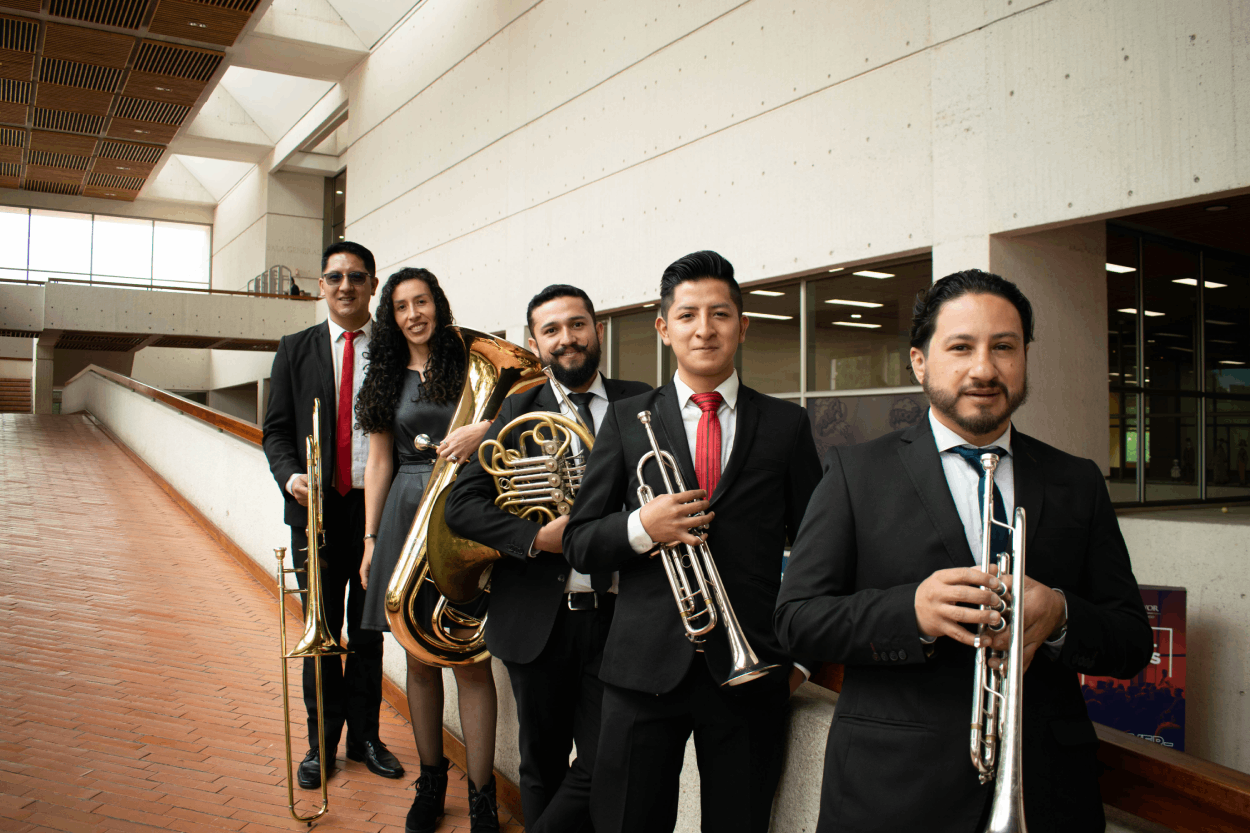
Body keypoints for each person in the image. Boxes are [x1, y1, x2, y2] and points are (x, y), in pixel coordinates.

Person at [774, 269, 1154, 833]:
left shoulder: (1077, 481)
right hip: (891, 795)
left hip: (1049, 794)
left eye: (1004, 347)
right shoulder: (856, 473)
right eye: (961, 347)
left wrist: (1060, 615)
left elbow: (1132, 642)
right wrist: (912, 612)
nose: (984, 369)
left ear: (1025, 357)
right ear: (919, 361)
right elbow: (795, 620)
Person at [563, 251, 822, 833]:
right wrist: (640, 527)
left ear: (742, 326)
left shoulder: (786, 425)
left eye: (720, 314)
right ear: (664, 328)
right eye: (687, 315)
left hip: (752, 673)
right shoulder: (627, 419)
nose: (704, 329)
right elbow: (579, 541)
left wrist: (802, 661)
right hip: (641, 671)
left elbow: (817, 549)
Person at [445, 284, 652, 831]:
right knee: (540, 766)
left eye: (577, 324)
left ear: (598, 330)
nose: (567, 339)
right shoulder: (517, 410)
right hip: (540, 617)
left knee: (612, 762)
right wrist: (536, 537)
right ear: (536, 345)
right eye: (551, 330)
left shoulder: (641, 402)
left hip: (621, 616)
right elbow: (462, 506)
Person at [354, 267, 497, 833]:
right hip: (406, 513)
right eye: (401, 306)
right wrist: (371, 540)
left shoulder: (468, 362)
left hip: (467, 508)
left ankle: (483, 796)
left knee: (472, 656)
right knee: (418, 654)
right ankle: (431, 784)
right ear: (390, 317)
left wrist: (485, 429)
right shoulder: (384, 376)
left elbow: (513, 419)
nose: (414, 314)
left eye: (422, 301)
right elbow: (379, 462)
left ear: (437, 303)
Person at [262, 241, 404, 789]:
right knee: (320, 633)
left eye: (357, 276)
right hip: (315, 513)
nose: (346, 286)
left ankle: (366, 739)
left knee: (368, 633)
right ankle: (320, 744)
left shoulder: (393, 348)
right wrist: (289, 475)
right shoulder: (294, 348)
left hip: (376, 510)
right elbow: (276, 430)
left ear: (373, 285)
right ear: (321, 285)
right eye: (335, 276)